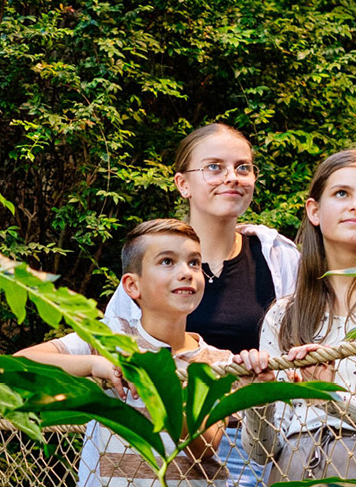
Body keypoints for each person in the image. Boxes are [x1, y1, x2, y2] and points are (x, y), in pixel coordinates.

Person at [102, 123, 300, 487]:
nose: (232, 178)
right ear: (182, 184)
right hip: (167, 444)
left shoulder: (280, 260)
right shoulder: (151, 269)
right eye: (214, 167)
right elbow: (115, 354)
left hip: (260, 445)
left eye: (243, 167)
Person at [232, 149, 356, 482]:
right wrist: (257, 398)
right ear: (314, 210)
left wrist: (333, 399)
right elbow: (260, 451)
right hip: (291, 471)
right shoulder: (284, 314)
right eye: (342, 193)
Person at [18, 219, 233, 487]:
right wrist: (95, 363)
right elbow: (21, 362)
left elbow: (206, 449)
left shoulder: (218, 361)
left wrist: (163, 388)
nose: (186, 272)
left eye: (194, 263)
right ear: (132, 286)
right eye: (167, 261)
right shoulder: (110, 340)